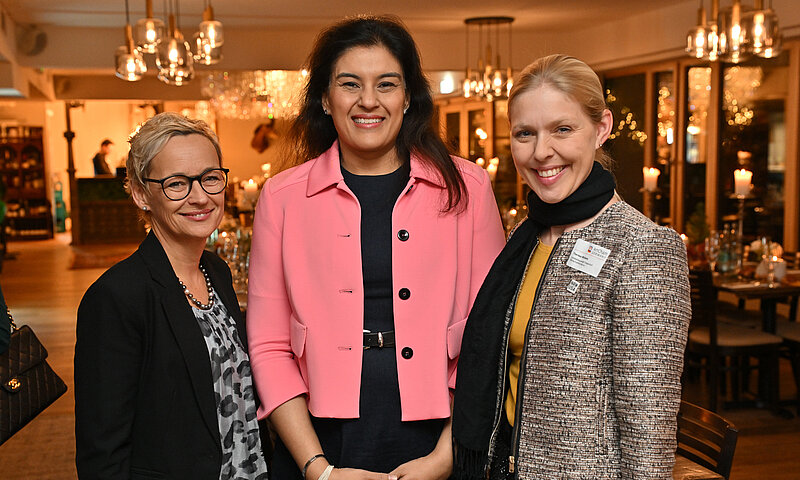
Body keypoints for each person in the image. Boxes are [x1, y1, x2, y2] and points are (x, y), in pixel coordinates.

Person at [247, 15, 505, 480]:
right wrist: (318, 470)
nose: (369, 100)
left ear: (408, 97)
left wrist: (446, 455)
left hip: (444, 430)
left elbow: (489, 335)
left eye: (386, 84)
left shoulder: (467, 188)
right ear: (325, 98)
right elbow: (269, 346)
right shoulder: (282, 198)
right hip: (318, 438)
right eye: (350, 84)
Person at [452, 54, 691, 479]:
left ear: (601, 128)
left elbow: (648, 431)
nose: (541, 152)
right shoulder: (526, 235)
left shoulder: (642, 246)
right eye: (525, 133)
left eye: (562, 129)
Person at [75, 112, 269, 479]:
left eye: (210, 178)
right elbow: (102, 451)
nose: (201, 197)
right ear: (141, 194)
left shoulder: (216, 271)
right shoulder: (116, 297)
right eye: (177, 183)